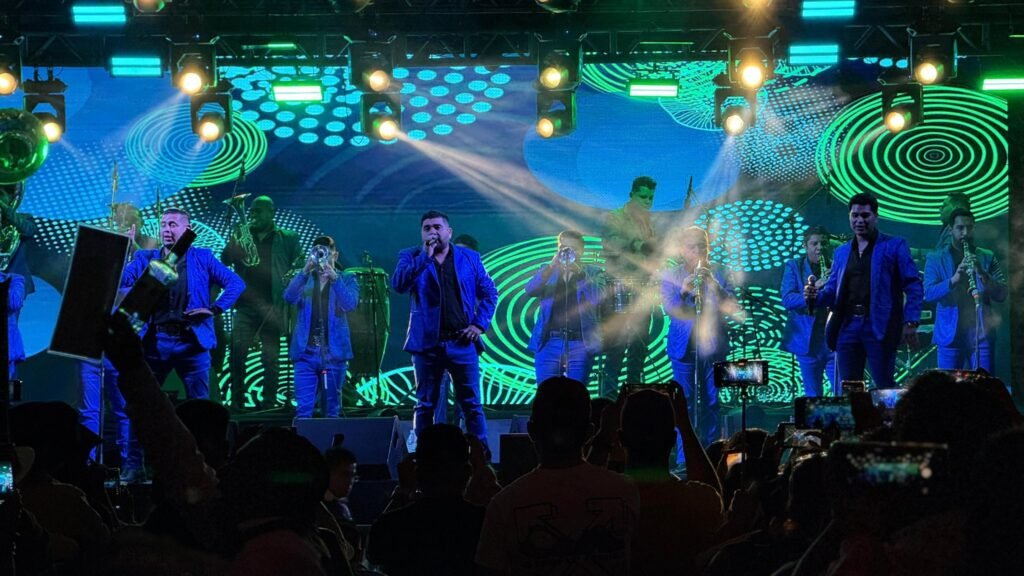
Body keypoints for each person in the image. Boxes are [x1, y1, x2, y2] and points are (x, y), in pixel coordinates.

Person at [475, 377, 639, 575]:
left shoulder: (504, 504)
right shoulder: (626, 492)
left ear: (531, 431)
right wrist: (604, 439)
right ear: (589, 432)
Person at [391, 210, 498, 449]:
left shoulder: (469, 257)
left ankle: (481, 456)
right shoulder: (411, 256)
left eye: (437, 227)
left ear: (449, 231)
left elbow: (490, 292)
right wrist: (424, 258)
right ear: (422, 233)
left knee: (471, 404)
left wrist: (478, 324)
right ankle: (425, 455)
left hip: (462, 342)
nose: (433, 232)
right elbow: (399, 285)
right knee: (425, 405)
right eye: (427, 228)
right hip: (427, 345)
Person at [120, 208, 245, 400]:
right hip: (155, 342)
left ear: (188, 228)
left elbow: (236, 283)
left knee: (200, 405)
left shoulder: (203, 257)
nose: (166, 230)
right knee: (145, 403)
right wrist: (122, 251)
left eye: (172, 224)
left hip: (192, 342)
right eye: (163, 225)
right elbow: (121, 281)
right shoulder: (145, 258)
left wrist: (215, 309)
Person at [804, 193, 923, 389]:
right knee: (849, 387)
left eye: (865, 215)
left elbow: (913, 285)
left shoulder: (894, 246)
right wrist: (815, 296)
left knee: (884, 386)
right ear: (849, 217)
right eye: (855, 215)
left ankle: (887, 411)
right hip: (847, 326)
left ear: (875, 217)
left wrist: (910, 321)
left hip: (880, 324)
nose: (859, 220)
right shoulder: (841, 252)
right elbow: (833, 290)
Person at [79, 203, 156, 482]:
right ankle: (87, 465)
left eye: (124, 222)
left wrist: (130, 247)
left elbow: (143, 294)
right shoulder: (99, 250)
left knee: (124, 407)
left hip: (120, 342)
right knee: (89, 409)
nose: (118, 225)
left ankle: (129, 466)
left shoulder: (147, 253)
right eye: (115, 220)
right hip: (91, 338)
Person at [367, 424, 485, 576]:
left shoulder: (393, 525)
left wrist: (403, 491)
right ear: (467, 473)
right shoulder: (486, 523)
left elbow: (373, 553)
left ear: (417, 472)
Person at [221, 195, 303, 410]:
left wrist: (290, 282)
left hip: (274, 305)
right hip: (245, 305)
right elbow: (225, 260)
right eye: (251, 210)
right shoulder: (242, 234)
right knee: (237, 354)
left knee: (271, 358)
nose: (252, 214)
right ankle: (237, 402)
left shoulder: (288, 238)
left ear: (271, 212)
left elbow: (300, 262)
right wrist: (234, 242)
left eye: (258, 210)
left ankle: (268, 403)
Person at [660, 226, 739, 446]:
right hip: (683, 349)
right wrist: (683, 291)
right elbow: (670, 309)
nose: (697, 252)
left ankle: (711, 451)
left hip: (713, 347)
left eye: (702, 247)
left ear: (708, 248)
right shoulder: (671, 274)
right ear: (681, 250)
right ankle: (685, 455)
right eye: (691, 247)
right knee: (684, 403)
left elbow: (732, 306)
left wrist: (714, 286)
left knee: (712, 402)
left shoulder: (721, 272)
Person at [283, 236, 360, 418]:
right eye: (318, 251)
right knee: (303, 410)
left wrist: (334, 278)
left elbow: (349, 304)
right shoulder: (305, 278)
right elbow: (289, 297)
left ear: (335, 255)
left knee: (332, 410)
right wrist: (305, 270)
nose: (322, 255)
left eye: (326, 251)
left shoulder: (347, 278)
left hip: (333, 354)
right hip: (306, 353)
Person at [924, 208, 1006, 372]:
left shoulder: (987, 256)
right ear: (950, 229)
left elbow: (1002, 294)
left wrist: (982, 273)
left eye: (969, 227)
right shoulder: (935, 258)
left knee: (984, 384)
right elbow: (928, 293)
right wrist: (954, 279)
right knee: (948, 385)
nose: (965, 233)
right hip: (950, 335)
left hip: (981, 334)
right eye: (960, 228)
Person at [600, 176, 659, 397]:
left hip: (643, 289)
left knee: (638, 349)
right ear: (631, 195)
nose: (647, 201)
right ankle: (609, 403)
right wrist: (638, 244)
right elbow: (610, 243)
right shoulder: (615, 217)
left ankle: (633, 399)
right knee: (616, 348)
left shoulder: (650, 222)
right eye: (643, 196)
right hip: (619, 289)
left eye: (651, 197)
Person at [525, 230, 604, 384]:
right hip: (549, 342)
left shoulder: (593, 272)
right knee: (546, 391)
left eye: (573, 249)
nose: (567, 252)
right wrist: (551, 266)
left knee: (577, 391)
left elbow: (598, 298)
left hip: (581, 343)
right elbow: (530, 290)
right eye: (563, 247)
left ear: (582, 251)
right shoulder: (547, 270)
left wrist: (581, 275)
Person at [781, 226, 836, 396]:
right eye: (814, 244)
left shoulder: (836, 266)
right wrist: (814, 289)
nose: (820, 248)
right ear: (805, 246)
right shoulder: (794, 266)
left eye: (823, 243)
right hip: (807, 341)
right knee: (813, 396)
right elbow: (788, 299)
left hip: (833, 340)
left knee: (842, 392)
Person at [436, 234, 479, 426]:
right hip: (438, 342)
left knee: (465, 394)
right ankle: (438, 432)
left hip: (464, 342)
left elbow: (485, 304)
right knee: (438, 390)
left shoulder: (477, 276)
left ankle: (465, 433)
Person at [0, 182, 37, 294]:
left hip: (12, 283)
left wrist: (4, 208)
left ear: (11, 198)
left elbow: (29, 230)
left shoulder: (24, 218)